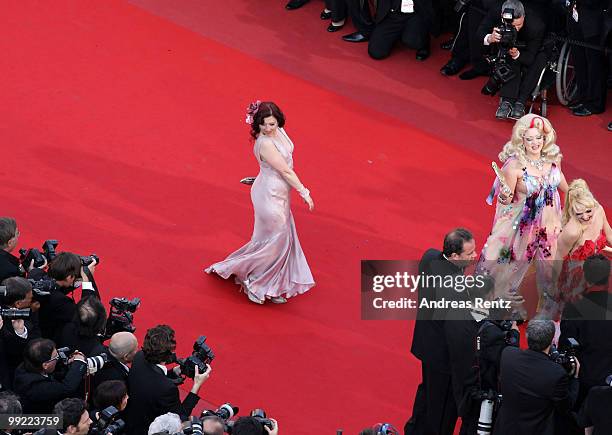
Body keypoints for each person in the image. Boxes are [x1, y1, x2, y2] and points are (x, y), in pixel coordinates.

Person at [205, 101, 315, 305]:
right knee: (276, 241)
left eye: (272, 124)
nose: (268, 128)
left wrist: (260, 177)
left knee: (276, 240)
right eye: (264, 124)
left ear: (278, 121)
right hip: (270, 195)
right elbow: (285, 171)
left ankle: (267, 281)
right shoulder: (264, 143)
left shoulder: (279, 131)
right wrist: (304, 191)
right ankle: (255, 284)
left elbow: (276, 166)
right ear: (258, 124)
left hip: (276, 190)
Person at [476, 114, 568, 318]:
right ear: (521, 140)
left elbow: (562, 184)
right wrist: (504, 195)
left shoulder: (553, 158)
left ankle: (545, 312)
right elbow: (505, 201)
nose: (536, 143)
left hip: (549, 225)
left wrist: (576, 198)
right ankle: (495, 310)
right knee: (509, 266)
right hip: (523, 226)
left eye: (539, 138)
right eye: (530, 138)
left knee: (550, 267)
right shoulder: (513, 166)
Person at [405, 228, 478, 435]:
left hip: (426, 342)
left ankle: (415, 429)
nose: (475, 256)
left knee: (427, 392)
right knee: (442, 407)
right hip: (444, 356)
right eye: (470, 253)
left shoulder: (430, 256)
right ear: (454, 256)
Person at [494, 320, 579, 435]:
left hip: (506, 428)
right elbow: (566, 406)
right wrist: (575, 378)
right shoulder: (556, 373)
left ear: (527, 336)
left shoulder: (508, 355)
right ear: (551, 340)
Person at [124, 325, 211, 435]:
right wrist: (197, 385)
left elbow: (153, 377)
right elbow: (180, 417)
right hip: (145, 429)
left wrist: (176, 371)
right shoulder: (167, 389)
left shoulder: (139, 357)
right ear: (169, 354)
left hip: (130, 416)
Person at [478, 0, 546, 119]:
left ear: (523, 16)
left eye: (518, 25)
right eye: (512, 26)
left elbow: (530, 57)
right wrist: (490, 38)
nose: (516, 29)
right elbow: (480, 31)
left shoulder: (536, 25)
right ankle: (507, 102)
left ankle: (521, 102)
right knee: (507, 55)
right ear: (502, 17)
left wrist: (518, 54)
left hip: (535, 45)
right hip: (510, 45)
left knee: (539, 60)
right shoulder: (496, 10)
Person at [553, 180, 612, 311]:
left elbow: (609, 234)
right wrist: (554, 287)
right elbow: (558, 258)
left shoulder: (599, 210)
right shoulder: (572, 231)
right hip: (576, 276)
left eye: (588, 211)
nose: (585, 217)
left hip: (595, 269)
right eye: (579, 214)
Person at [13, 338, 88, 413]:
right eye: (56, 357)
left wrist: (68, 363)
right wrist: (79, 362)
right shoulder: (35, 386)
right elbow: (67, 388)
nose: (58, 358)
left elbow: (52, 373)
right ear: (45, 365)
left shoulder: (29, 364)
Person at [0, 217, 25, 283]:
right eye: (17, 233)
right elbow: (21, 290)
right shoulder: (10, 271)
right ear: (10, 243)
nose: (19, 235)